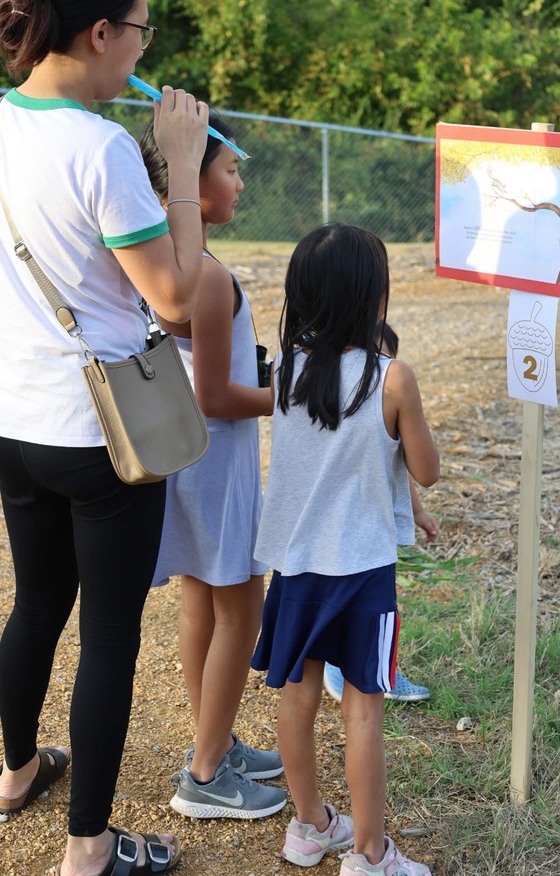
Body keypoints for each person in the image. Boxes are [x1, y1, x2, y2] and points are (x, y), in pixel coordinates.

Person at [0, 0, 210, 876]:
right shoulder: (102, 150)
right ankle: (89, 852)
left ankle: (12, 775)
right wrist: (183, 164)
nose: (144, 46)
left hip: (12, 419)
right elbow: (175, 299)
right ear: (97, 33)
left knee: (35, 600)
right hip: (103, 432)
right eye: (140, 29)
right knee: (110, 636)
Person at [251, 223, 440, 876]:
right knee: (362, 711)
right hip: (362, 572)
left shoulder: (284, 372)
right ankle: (368, 854)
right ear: (373, 298)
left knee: (295, 697)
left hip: (296, 567)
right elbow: (427, 467)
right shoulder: (393, 378)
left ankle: (308, 827)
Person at [138, 115, 287, 821]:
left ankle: (215, 741)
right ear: (192, 182)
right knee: (240, 608)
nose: (240, 182)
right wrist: (291, 395)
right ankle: (204, 774)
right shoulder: (210, 275)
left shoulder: (154, 261)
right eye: (229, 171)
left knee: (201, 599)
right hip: (215, 459)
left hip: (180, 460)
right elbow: (218, 395)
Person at [323, 321, 439, 705]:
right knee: (348, 601)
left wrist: (418, 513)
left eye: (388, 359)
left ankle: (383, 668)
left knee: (379, 606)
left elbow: (404, 469)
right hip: (347, 527)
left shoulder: (386, 403)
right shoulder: (338, 411)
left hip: (377, 530)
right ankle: (341, 669)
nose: (382, 368)